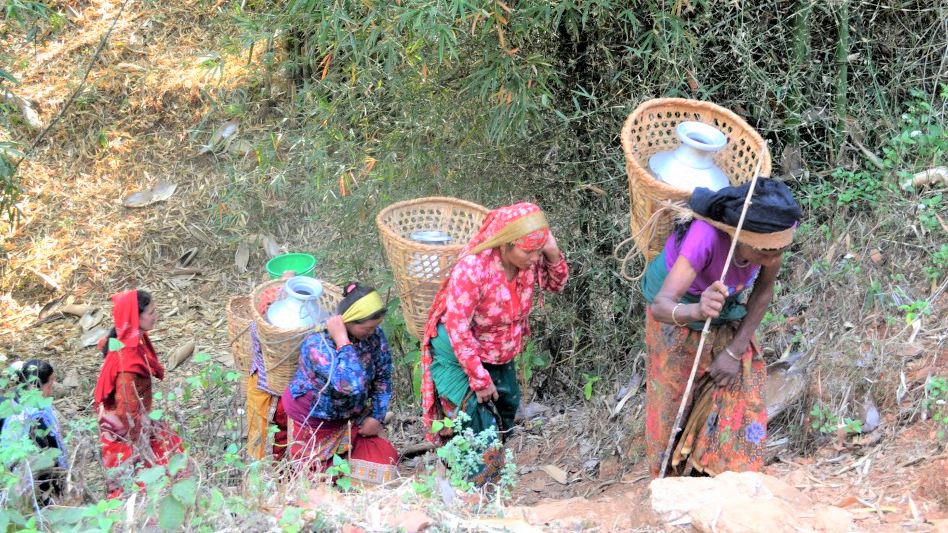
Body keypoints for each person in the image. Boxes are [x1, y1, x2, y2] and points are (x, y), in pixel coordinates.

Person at [640, 178, 802, 477]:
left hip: (723, 306)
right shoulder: (705, 237)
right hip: (680, 309)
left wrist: (733, 350)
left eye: (779, 251)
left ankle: (726, 474)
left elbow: (763, 292)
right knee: (675, 399)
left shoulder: (771, 242)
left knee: (741, 383)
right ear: (738, 236)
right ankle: (669, 478)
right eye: (766, 253)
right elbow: (662, 305)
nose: (774, 259)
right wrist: (697, 310)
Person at [421, 202, 568, 486]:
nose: (535, 258)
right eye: (529, 251)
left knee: (505, 413)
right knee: (479, 419)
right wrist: (479, 379)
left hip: (498, 351)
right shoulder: (473, 268)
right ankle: (481, 491)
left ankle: (461, 471)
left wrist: (551, 252)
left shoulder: (530, 262)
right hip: (459, 351)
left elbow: (556, 285)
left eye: (539, 251)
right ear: (505, 245)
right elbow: (458, 327)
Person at [281, 283, 397, 485]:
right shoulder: (318, 343)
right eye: (367, 328)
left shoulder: (374, 336)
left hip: (351, 421)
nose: (373, 332)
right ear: (348, 321)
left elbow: (383, 377)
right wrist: (343, 340)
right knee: (316, 481)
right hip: (316, 424)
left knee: (385, 464)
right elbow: (350, 384)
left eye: (375, 327)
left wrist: (376, 416)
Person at [93, 289, 183, 497]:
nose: (156, 315)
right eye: (151, 312)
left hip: (132, 418)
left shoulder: (128, 338)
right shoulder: (128, 364)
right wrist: (140, 442)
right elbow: (126, 411)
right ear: (136, 318)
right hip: (125, 430)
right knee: (138, 486)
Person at [246, 270, 297, 462]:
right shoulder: (287, 332)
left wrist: (286, 281)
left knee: (260, 435)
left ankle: (261, 479)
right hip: (274, 390)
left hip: (263, 385)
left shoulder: (259, 323)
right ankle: (277, 477)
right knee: (280, 436)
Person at [0, 359, 68, 504]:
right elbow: (52, 460)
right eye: (49, 386)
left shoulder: (5, 403)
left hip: (7, 479)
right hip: (36, 485)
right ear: (34, 387)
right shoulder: (38, 419)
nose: (52, 391)